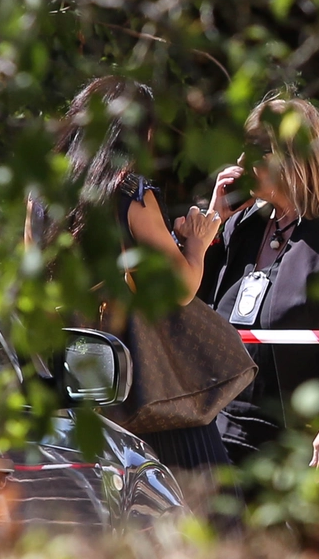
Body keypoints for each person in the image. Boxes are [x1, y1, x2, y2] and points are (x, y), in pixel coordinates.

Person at [41, 76, 229, 473]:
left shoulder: (40, 192)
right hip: (140, 381)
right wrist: (196, 243)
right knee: (204, 496)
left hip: (70, 377)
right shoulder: (130, 192)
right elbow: (180, 288)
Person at [201, 96, 319, 477]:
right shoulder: (241, 227)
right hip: (229, 425)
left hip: (309, 434)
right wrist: (212, 222)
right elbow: (193, 304)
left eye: (259, 150)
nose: (242, 161)